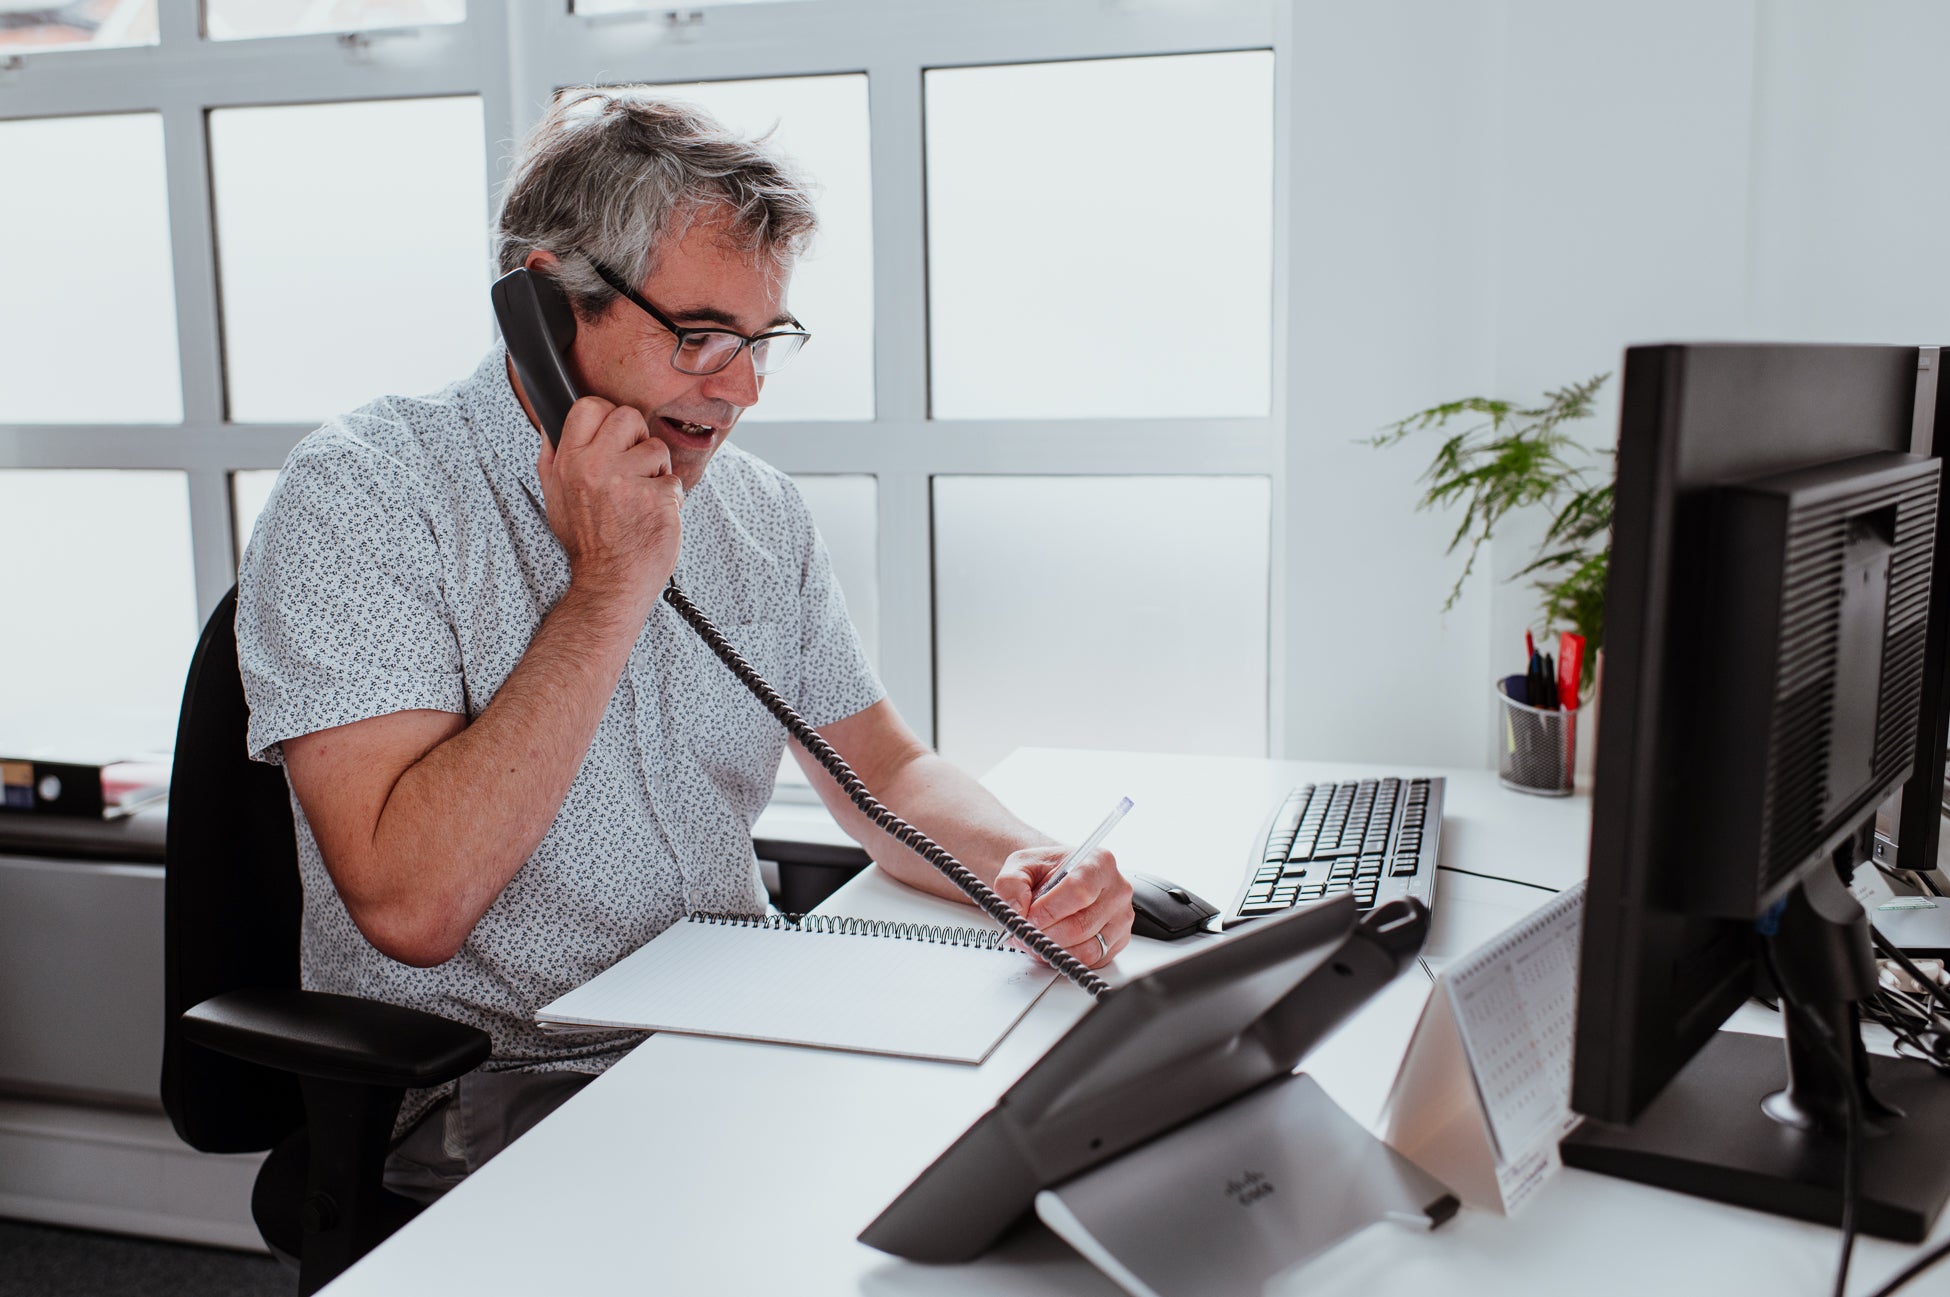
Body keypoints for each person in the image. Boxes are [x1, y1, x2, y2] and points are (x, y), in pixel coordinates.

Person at [234, 89, 1133, 1200]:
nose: (740, 390)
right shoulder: (366, 494)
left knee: (1048, 1153)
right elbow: (411, 905)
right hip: (502, 1085)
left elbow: (885, 768)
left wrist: (1032, 867)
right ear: (544, 302)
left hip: (737, 1037)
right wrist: (608, 583)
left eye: (761, 343)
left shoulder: (756, 510)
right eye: (700, 336)